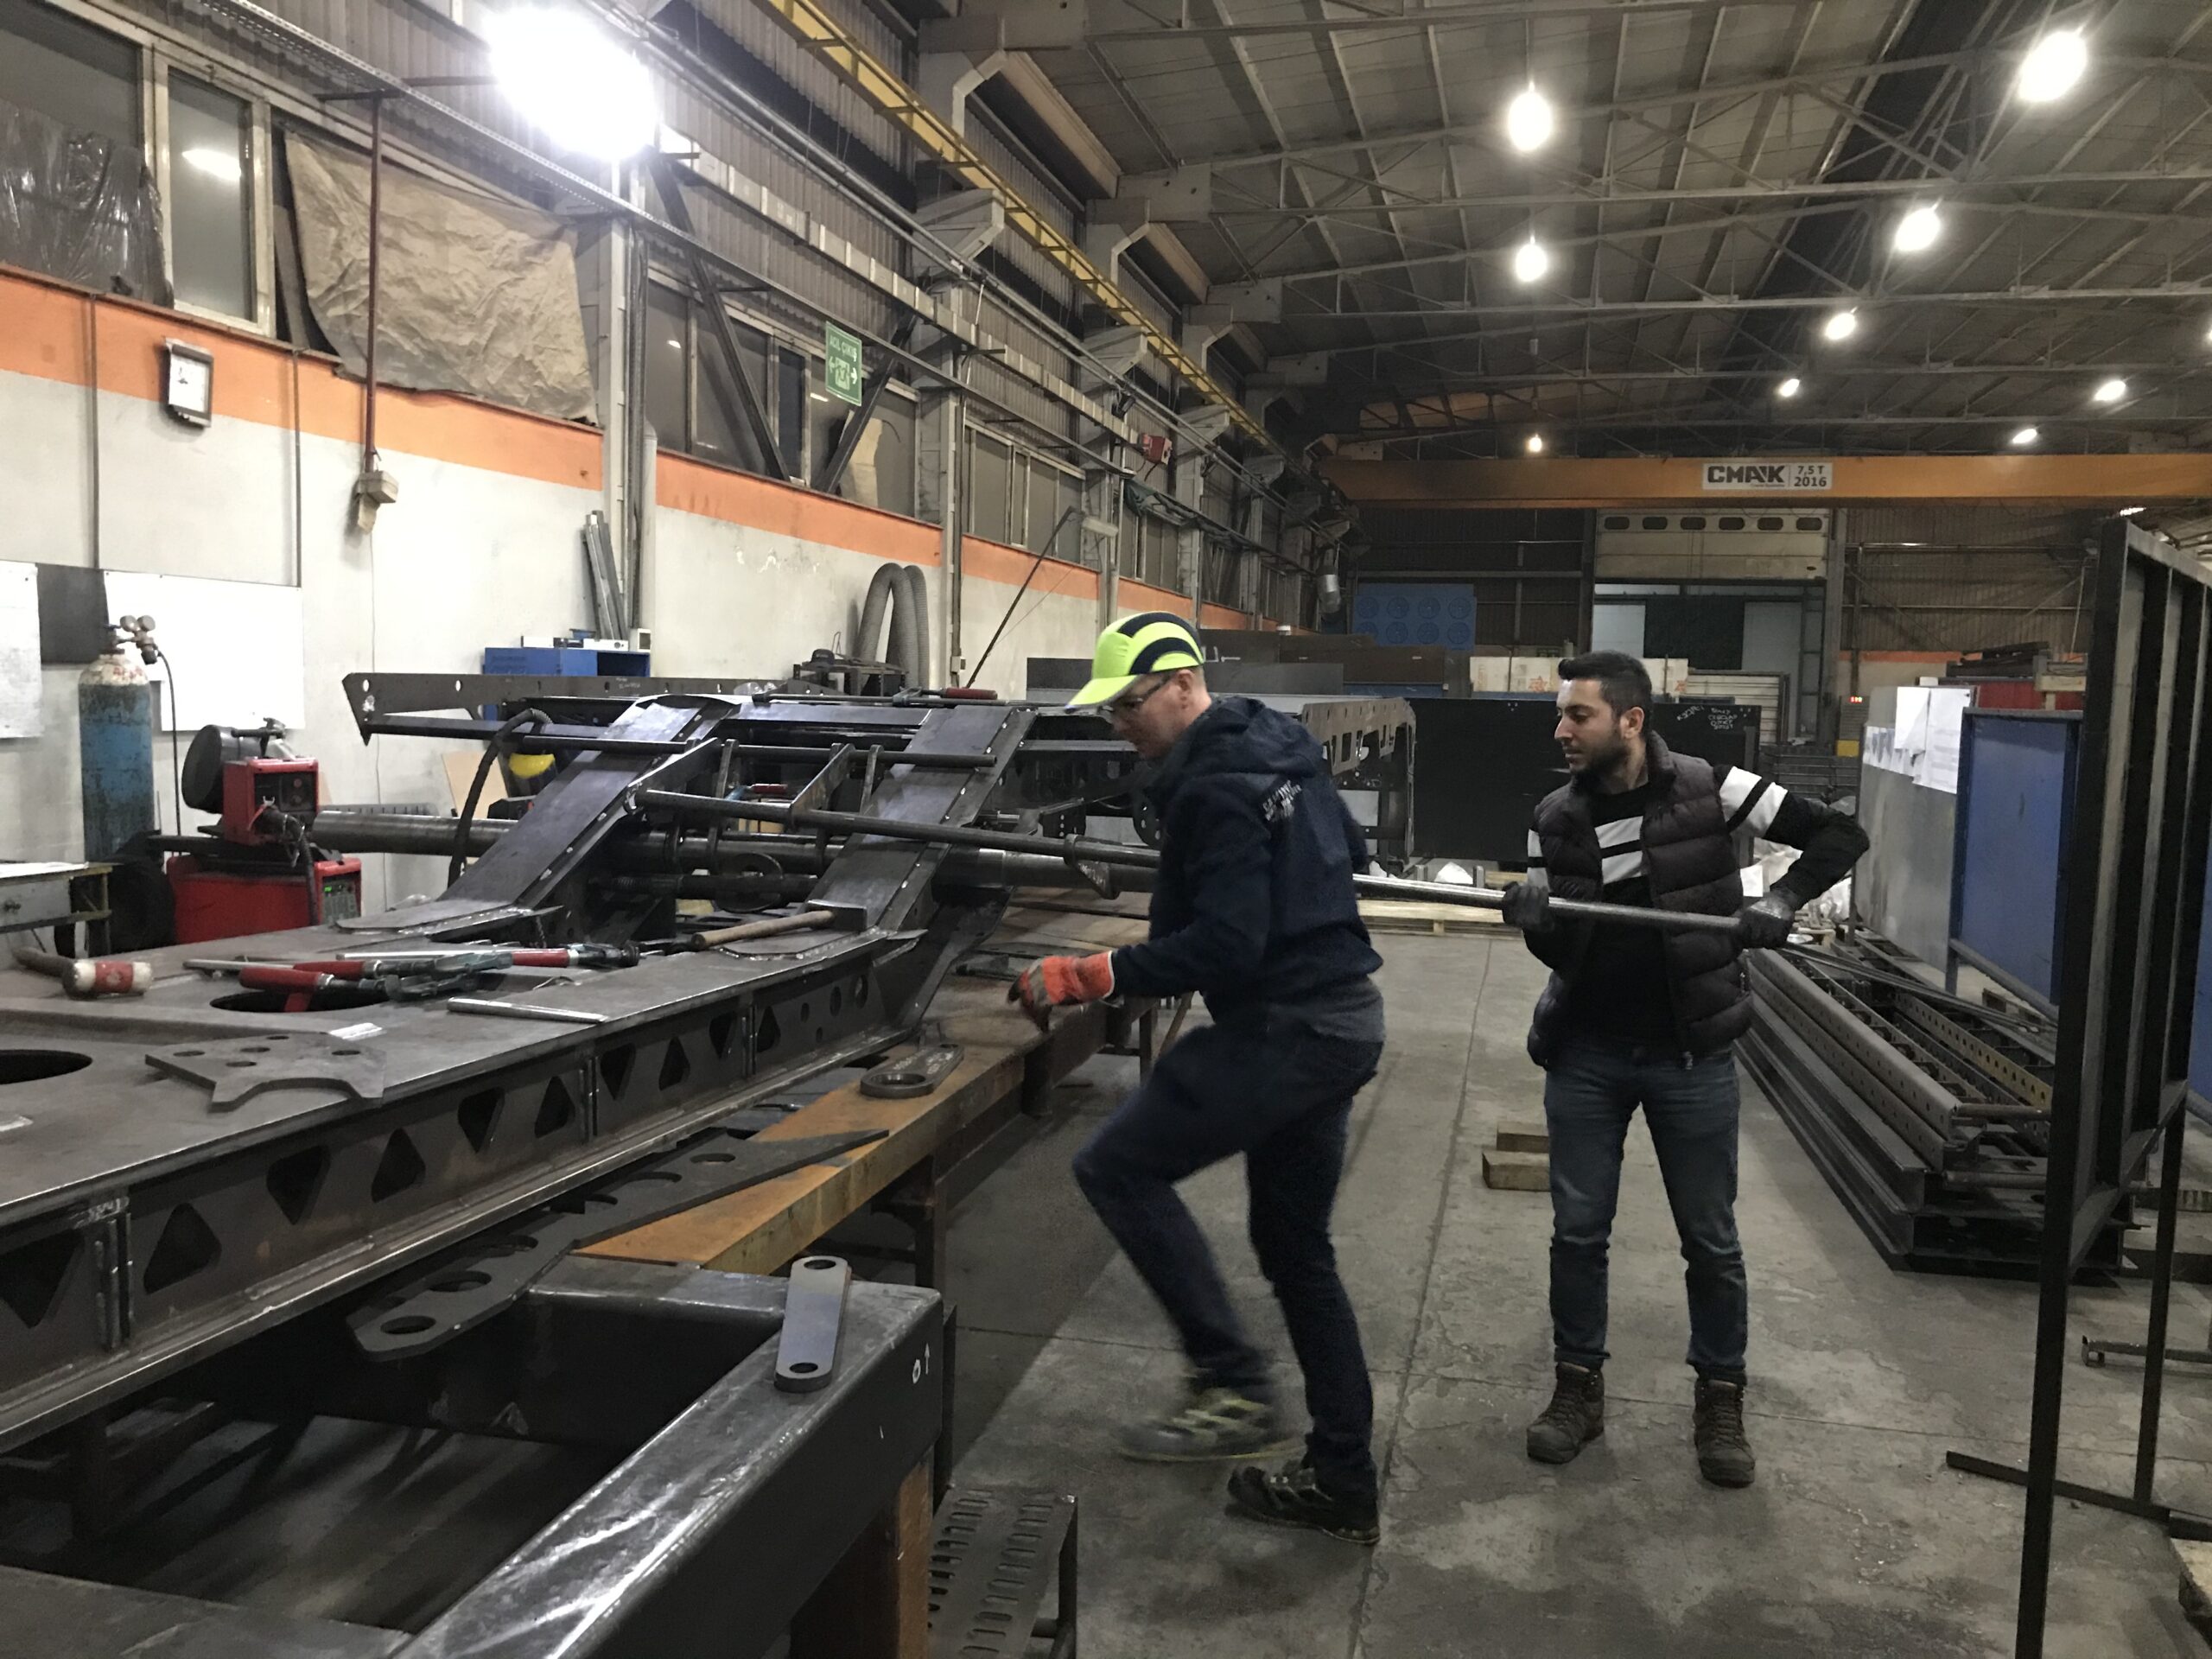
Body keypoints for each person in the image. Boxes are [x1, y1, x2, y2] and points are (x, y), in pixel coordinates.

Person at [1012, 612, 1389, 1544]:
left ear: (1183, 685)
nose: (1119, 724)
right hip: (1340, 1016)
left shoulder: (1216, 786)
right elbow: (1352, 854)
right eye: (1109, 711)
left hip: (1287, 1028)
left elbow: (1225, 943)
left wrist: (1092, 973)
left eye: (1129, 704)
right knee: (1294, 1248)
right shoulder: (1280, 745)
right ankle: (1342, 1479)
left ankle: (1231, 1383)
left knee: (1115, 1166)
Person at [1501, 650, 1868, 1489]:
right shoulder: (1554, 817)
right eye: (1561, 716)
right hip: (1587, 1052)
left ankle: (1720, 1398)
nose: (1561, 731)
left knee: (1710, 1240)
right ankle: (1577, 1389)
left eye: (1578, 715)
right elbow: (1560, 948)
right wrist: (1534, 919)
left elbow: (1840, 834)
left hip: (1690, 1052)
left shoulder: (1714, 788)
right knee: (1577, 1233)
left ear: (1630, 720)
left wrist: (1780, 901)